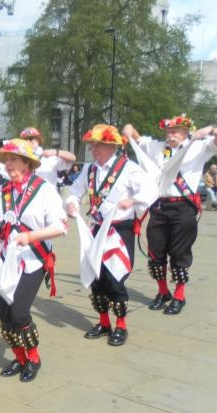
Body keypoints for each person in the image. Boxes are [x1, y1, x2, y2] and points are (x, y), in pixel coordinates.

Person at [0, 139, 67, 382]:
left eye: (13, 159)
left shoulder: (44, 190)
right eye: (6, 160)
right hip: (8, 260)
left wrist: (31, 236)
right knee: (4, 313)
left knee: (18, 312)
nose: (8, 164)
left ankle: (34, 358)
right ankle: (19, 357)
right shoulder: (3, 191)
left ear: (27, 163)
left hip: (34, 259)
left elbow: (60, 226)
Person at [123, 116, 217, 315]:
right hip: (160, 206)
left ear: (185, 132)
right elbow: (133, 133)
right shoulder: (156, 146)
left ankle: (179, 295)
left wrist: (211, 129)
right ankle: (163, 292)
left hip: (183, 207)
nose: (170, 135)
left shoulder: (198, 147)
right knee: (156, 251)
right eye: (168, 131)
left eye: (175, 131)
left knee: (180, 252)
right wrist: (128, 130)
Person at [66, 125, 157, 346]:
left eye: (97, 144)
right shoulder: (89, 170)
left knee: (115, 278)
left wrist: (133, 200)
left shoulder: (129, 169)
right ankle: (104, 322)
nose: (93, 148)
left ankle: (121, 326)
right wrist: (71, 205)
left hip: (119, 230)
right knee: (97, 278)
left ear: (111, 146)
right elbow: (74, 192)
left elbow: (151, 190)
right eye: (92, 144)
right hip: (96, 229)